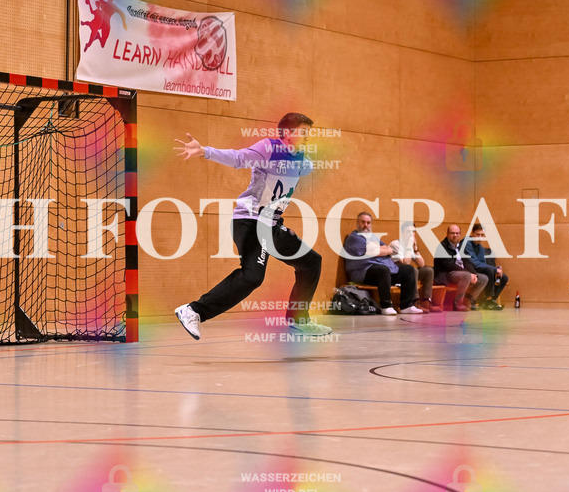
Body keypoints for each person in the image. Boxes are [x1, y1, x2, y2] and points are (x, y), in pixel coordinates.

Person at [172, 113, 332, 339]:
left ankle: (298, 320)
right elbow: (238, 158)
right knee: (252, 277)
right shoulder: (268, 148)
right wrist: (205, 151)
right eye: (304, 132)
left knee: (311, 262)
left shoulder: (300, 158)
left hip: (272, 224)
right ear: (287, 133)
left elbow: (306, 167)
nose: (308, 137)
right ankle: (193, 310)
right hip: (251, 221)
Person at [343, 213, 424, 315]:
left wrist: (378, 249)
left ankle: (406, 306)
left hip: (383, 272)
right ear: (357, 223)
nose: (366, 225)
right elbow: (371, 252)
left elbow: (389, 249)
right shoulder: (355, 238)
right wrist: (379, 250)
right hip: (364, 272)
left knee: (408, 269)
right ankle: (386, 306)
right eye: (363, 222)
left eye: (368, 222)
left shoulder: (372, 237)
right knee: (382, 269)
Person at [434, 224, 489, 312]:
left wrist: (473, 274)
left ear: (460, 234)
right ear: (447, 234)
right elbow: (449, 264)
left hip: (462, 272)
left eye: (457, 233)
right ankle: (458, 303)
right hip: (447, 273)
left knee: (483, 278)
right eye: (452, 233)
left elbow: (467, 261)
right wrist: (468, 274)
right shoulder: (442, 246)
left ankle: (467, 302)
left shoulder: (460, 246)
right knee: (466, 275)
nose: (455, 235)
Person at [389, 222, 442, 312]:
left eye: (413, 231)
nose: (411, 234)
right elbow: (405, 263)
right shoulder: (395, 244)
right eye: (408, 232)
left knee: (428, 270)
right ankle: (415, 301)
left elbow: (421, 264)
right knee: (413, 270)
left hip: (408, 275)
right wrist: (409, 247)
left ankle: (425, 301)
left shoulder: (410, 245)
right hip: (396, 275)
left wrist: (415, 248)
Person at [464, 223, 506, 310]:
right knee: (490, 271)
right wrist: (494, 270)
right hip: (468, 269)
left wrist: (497, 269)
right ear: (472, 233)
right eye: (477, 234)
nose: (480, 237)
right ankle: (488, 301)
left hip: (477, 269)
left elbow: (483, 263)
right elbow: (474, 262)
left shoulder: (480, 247)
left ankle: (489, 301)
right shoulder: (466, 243)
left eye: (482, 235)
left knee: (504, 277)